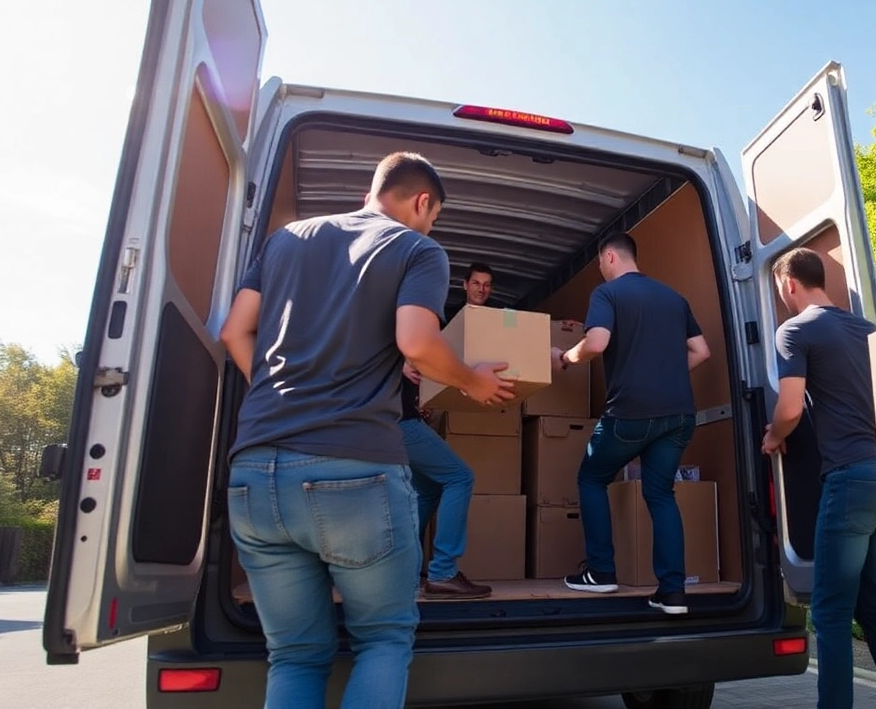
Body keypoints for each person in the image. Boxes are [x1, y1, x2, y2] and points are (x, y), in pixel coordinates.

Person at [219, 151, 514, 708]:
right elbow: (418, 343)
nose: (432, 227)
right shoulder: (417, 248)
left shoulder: (286, 239)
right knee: (382, 638)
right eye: (435, 216)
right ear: (423, 202)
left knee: (294, 655)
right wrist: (472, 382)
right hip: (353, 470)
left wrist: (282, 396)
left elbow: (236, 331)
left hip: (254, 470)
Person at [760, 248, 876, 709]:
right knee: (874, 608)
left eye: (778, 289)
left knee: (830, 611)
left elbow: (790, 407)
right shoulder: (868, 330)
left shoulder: (795, 330)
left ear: (789, 283)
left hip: (850, 480)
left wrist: (774, 435)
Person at [554, 233, 710, 615]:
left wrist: (564, 358)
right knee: (660, 494)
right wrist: (667, 376)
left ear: (609, 257)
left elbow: (596, 343)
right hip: (679, 415)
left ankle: (601, 572)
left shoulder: (607, 295)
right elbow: (702, 351)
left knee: (591, 478)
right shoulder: (675, 298)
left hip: (630, 415)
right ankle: (672, 592)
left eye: (600, 263)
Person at [400, 361, 491, 599]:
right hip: (399, 421)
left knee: (427, 488)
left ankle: (403, 570)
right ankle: (443, 573)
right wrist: (469, 380)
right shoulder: (390, 328)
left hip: (399, 417)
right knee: (459, 477)